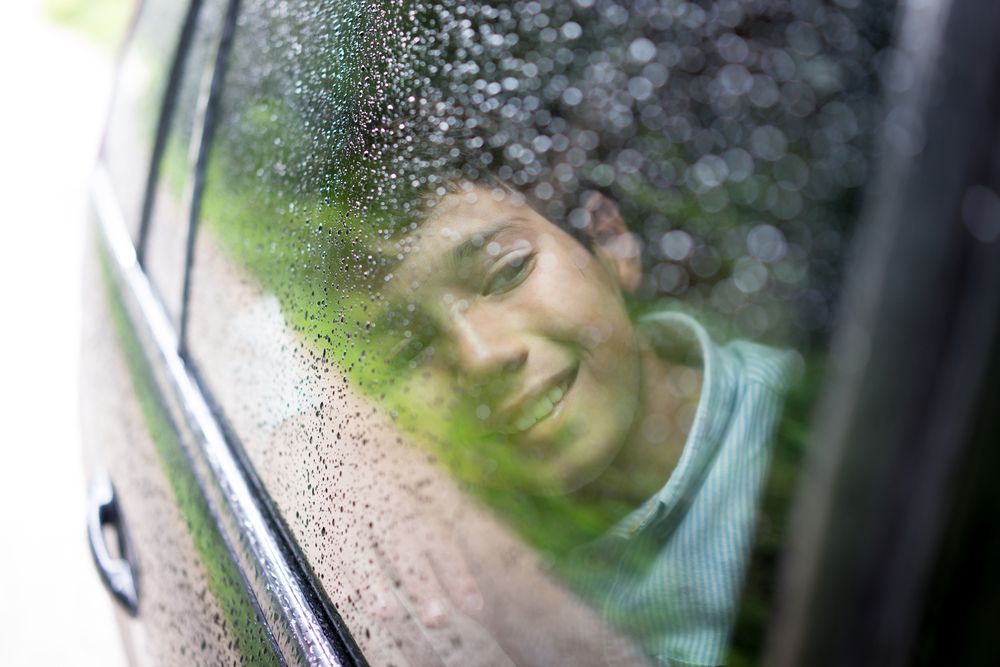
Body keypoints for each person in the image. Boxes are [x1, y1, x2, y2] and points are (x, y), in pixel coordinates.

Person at [355, 179, 798, 666]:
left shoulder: (818, 437)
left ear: (610, 242)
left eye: (507, 270)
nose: (480, 355)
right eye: (410, 350)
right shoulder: (444, 542)